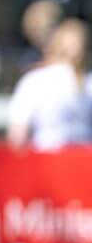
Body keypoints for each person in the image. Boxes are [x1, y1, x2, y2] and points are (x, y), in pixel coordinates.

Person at [7, 20, 92, 151]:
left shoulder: (34, 80)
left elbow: (17, 135)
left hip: (49, 158)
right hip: (78, 160)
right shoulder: (35, 80)